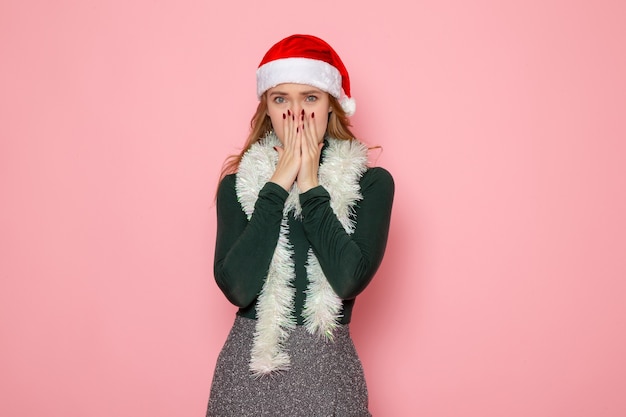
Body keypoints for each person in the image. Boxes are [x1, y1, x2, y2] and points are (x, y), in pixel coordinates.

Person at [206, 34, 394, 417]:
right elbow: (239, 288)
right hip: (247, 378)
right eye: (281, 99)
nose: (297, 113)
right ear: (268, 110)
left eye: (310, 98)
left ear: (331, 106)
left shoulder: (371, 184)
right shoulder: (238, 184)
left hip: (328, 378)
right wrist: (277, 184)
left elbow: (347, 280)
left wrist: (309, 185)